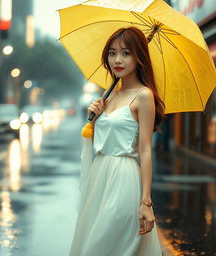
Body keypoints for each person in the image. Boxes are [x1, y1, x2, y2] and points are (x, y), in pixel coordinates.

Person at [69, 27, 165, 256]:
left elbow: (145, 150)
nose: (117, 60)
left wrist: (145, 202)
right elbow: (99, 144)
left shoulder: (143, 95)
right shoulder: (108, 96)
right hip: (99, 177)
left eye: (125, 53)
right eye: (112, 53)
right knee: (91, 244)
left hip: (124, 179)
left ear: (139, 57)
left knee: (103, 246)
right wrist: (94, 116)